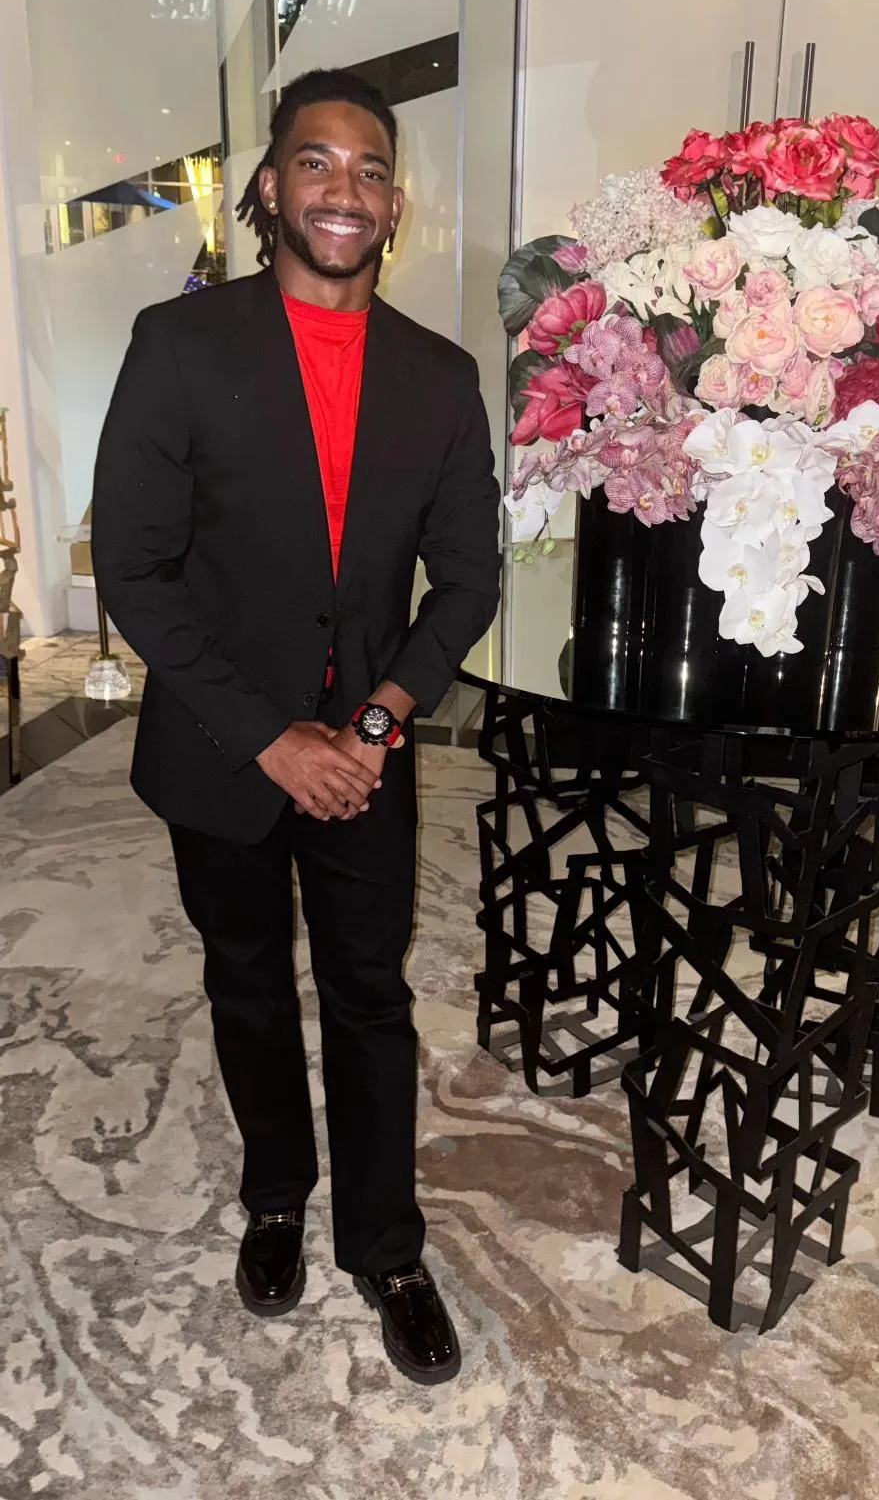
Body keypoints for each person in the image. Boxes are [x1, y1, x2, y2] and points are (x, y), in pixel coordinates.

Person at [92, 68, 501, 1386]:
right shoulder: (179, 347)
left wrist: (377, 722)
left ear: (393, 205)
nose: (345, 187)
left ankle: (386, 1247)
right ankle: (277, 1193)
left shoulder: (439, 379)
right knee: (248, 982)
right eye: (316, 163)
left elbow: (470, 578)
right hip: (221, 748)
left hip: (366, 761)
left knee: (371, 997)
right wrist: (274, 737)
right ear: (271, 189)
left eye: (370, 169)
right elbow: (136, 571)